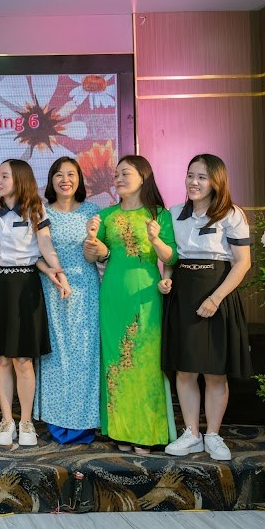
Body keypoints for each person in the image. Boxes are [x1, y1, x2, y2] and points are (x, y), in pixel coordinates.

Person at [0, 119, 70, 447]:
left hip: (26, 285)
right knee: (2, 358)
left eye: (4, 176)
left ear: (20, 181)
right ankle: (7, 420)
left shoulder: (35, 209)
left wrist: (58, 272)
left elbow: (46, 246)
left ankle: (26, 422)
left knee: (23, 359)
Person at [160, 154, 252, 461]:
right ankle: (191, 434)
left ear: (216, 181)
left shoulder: (232, 214)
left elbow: (242, 263)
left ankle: (213, 434)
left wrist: (216, 298)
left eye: (201, 177)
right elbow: (171, 257)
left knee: (215, 371)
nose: (194, 182)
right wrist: (166, 277)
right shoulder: (174, 213)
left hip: (217, 292)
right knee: (185, 369)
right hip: (183, 292)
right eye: (190, 175)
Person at [85, 155, 177, 454]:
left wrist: (155, 239)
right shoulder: (106, 215)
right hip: (112, 295)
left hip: (146, 295)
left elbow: (171, 256)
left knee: (145, 361)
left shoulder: (159, 214)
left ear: (143, 177)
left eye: (125, 173)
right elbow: (93, 255)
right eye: (116, 174)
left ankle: (146, 432)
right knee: (115, 362)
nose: (118, 179)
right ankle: (120, 431)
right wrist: (93, 243)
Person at [34, 157, 101, 444]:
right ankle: (56, 420)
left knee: (85, 353)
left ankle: (84, 421)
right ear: (51, 180)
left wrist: (95, 242)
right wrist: (51, 272)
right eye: (59, 175)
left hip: (85, 290)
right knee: (55, 354)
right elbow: (33, 254)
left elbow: (99, 254)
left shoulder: (93, 211)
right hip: (52, 289)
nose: (65, 180)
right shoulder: (41, 211)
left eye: (71, 174)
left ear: (79, 179)